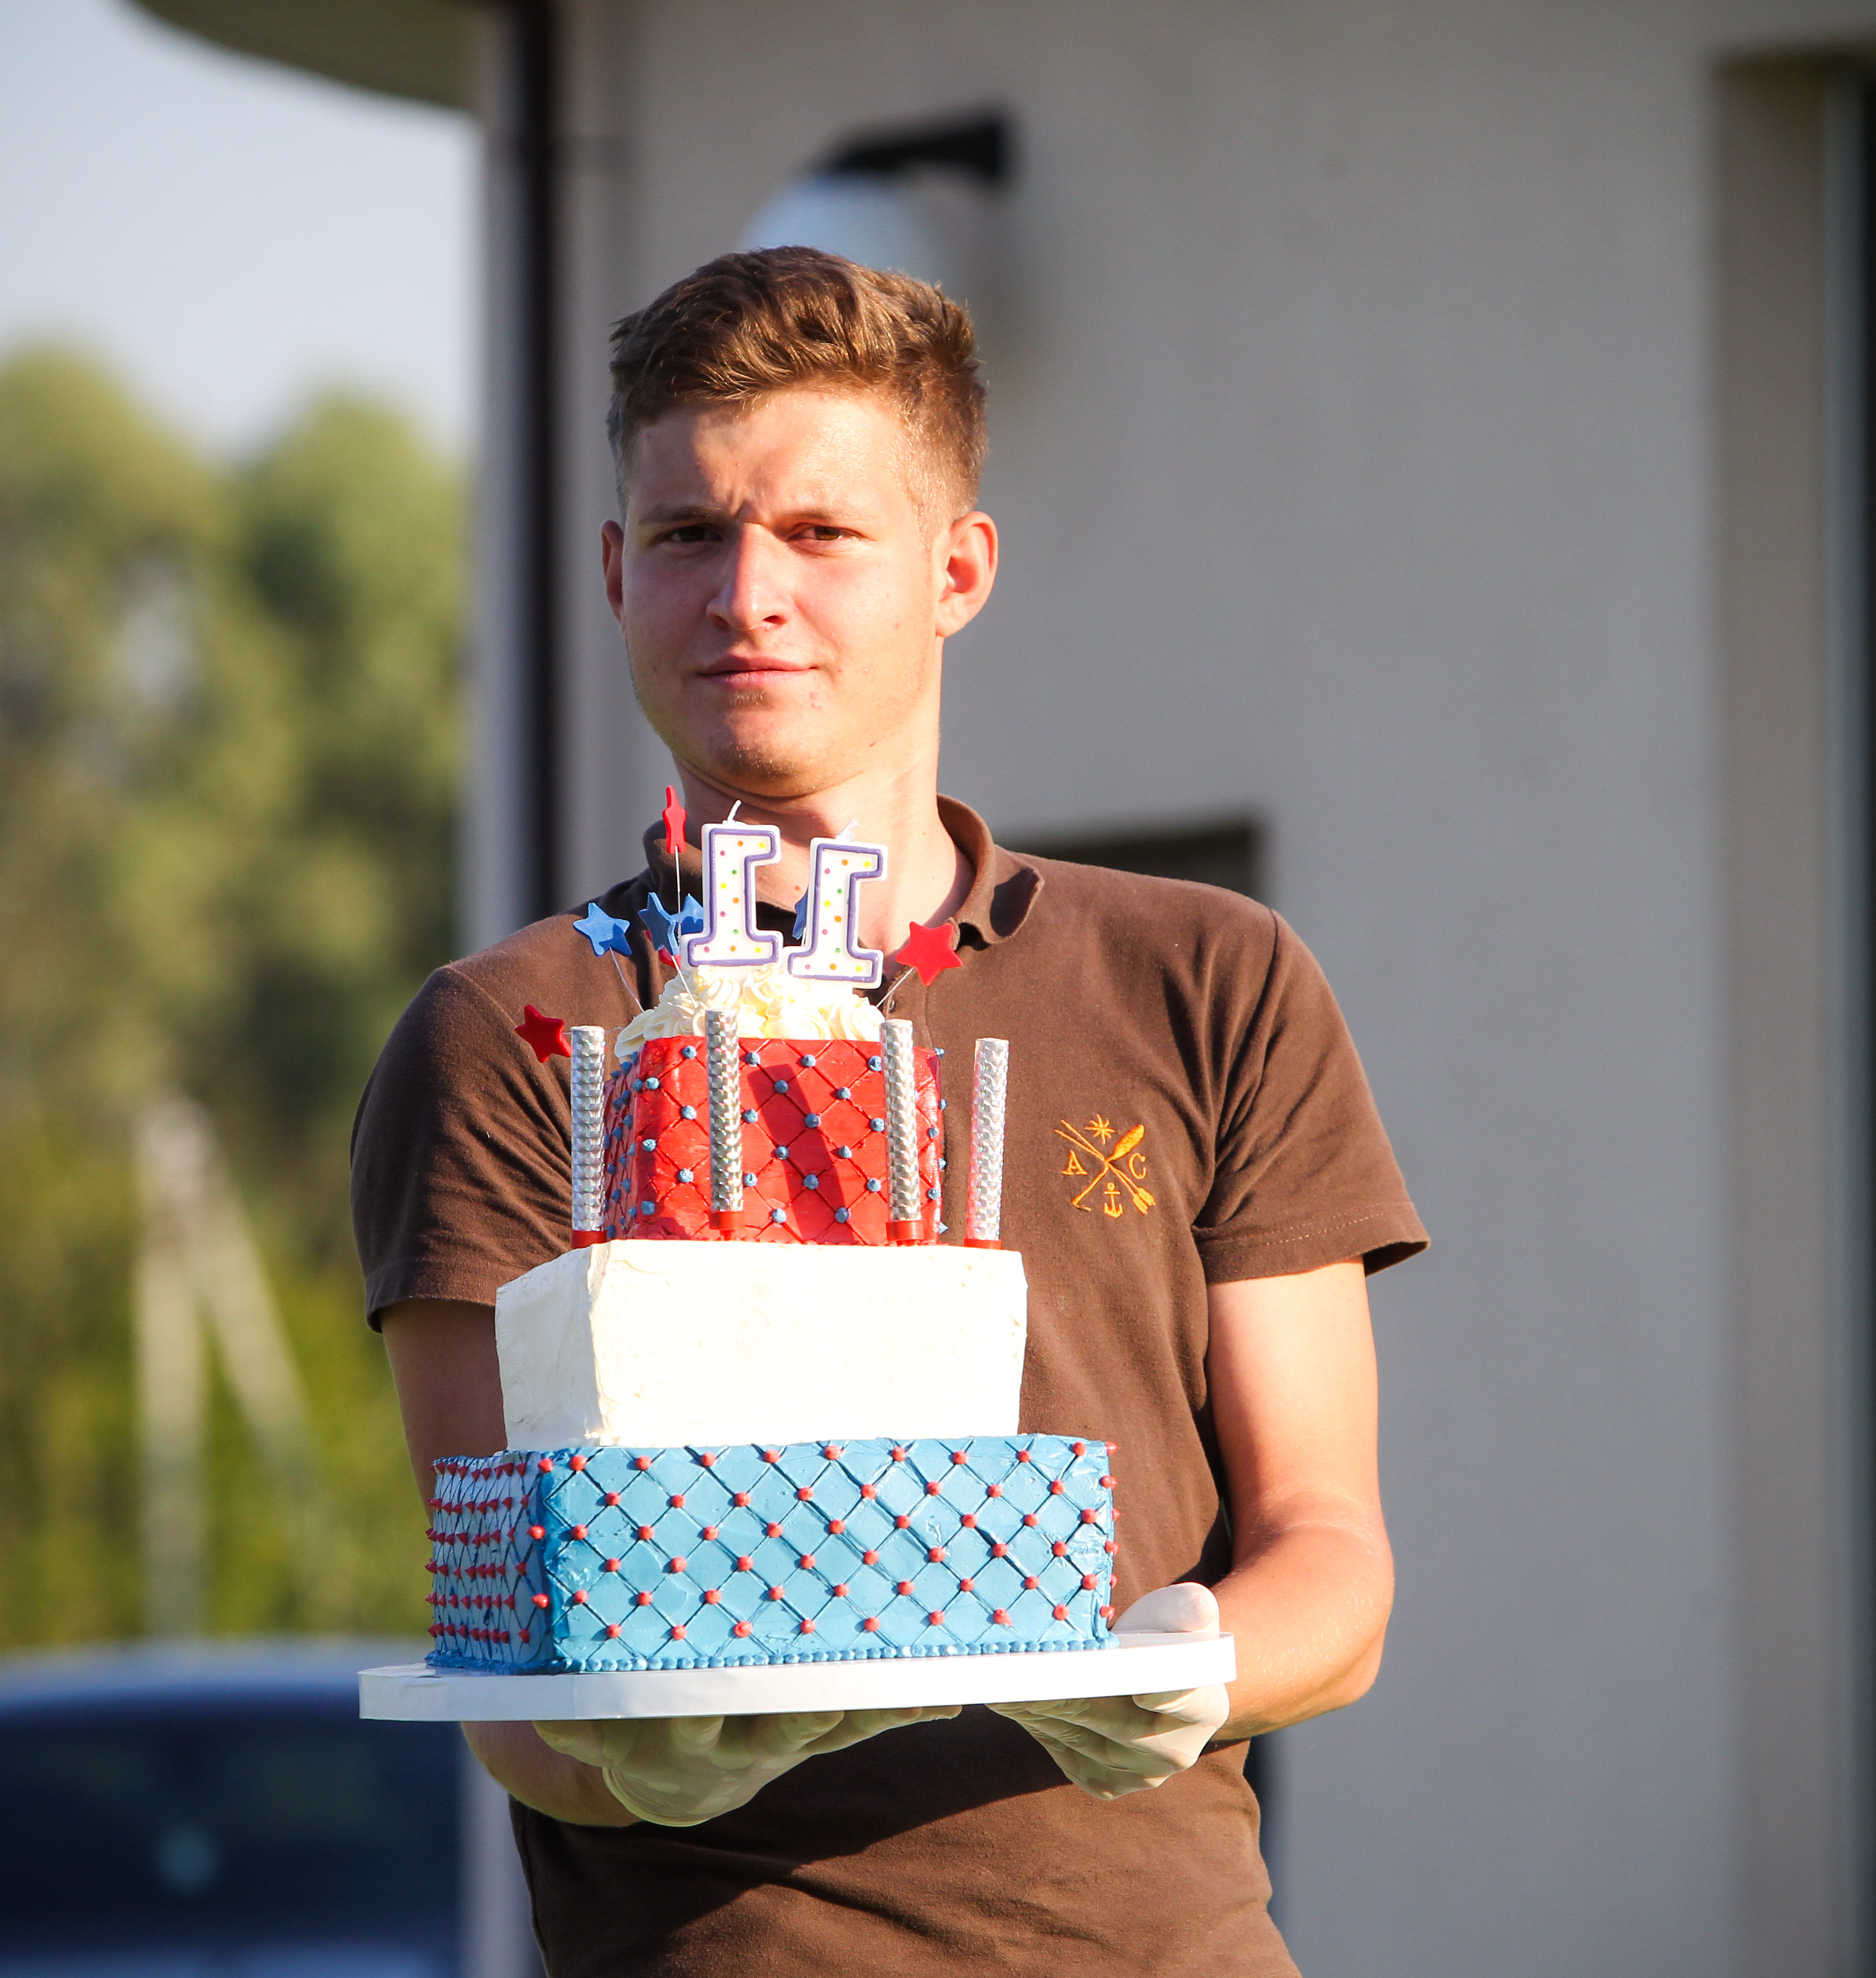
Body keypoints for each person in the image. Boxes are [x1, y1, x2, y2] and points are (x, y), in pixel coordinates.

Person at [354, 246, 1423, 1975]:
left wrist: (1179, 1665)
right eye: (689, 534)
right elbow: (506, 1653)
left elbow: (1333, 1556)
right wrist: (640, 1754)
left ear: (957, 569)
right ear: (616, 572)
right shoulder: (517, 1038)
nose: (747, 595)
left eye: (821, 532)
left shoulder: (1207, 981)